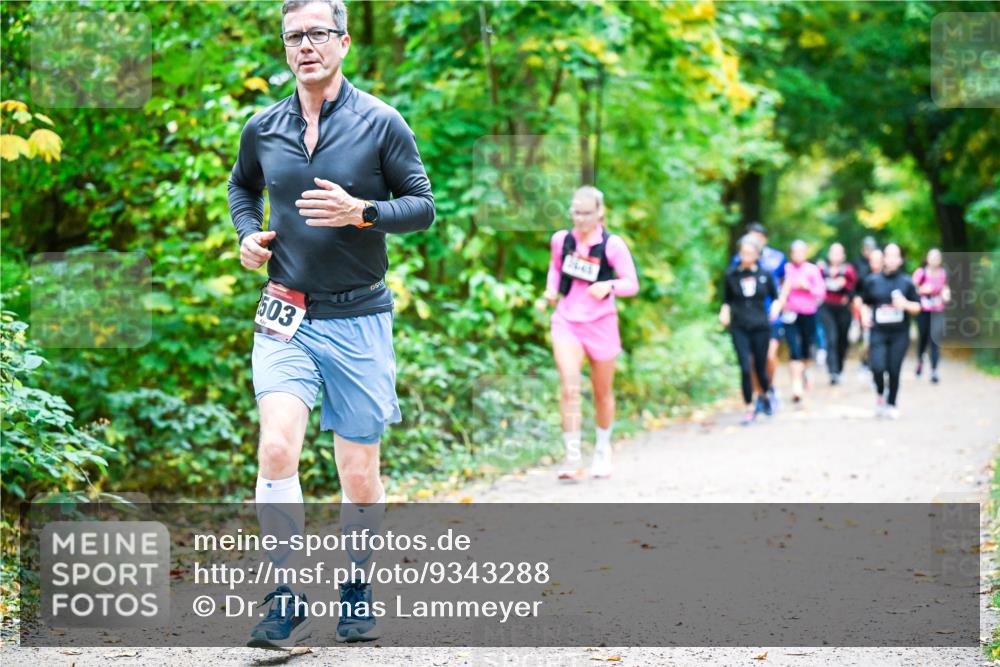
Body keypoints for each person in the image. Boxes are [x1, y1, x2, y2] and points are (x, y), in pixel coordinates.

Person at [228, 0, 435, 648]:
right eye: (294, 36)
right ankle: (284, 596)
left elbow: (423, 206)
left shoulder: (381, 122)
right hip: (286, 313)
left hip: (359, 317)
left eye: (318, 33)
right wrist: (246, 234)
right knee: (276, 447)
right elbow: (241, 188)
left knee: (358, 472)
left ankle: (357, 582)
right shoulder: (263, 127)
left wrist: (364, 212)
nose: (306, 45)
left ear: (343, 42)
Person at [543, 186, 638, 481]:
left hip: (601, 323)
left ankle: (602, 449)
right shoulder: (562, 240)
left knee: (602, 391)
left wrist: (609, 286)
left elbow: (631, 283)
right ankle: (572, 457)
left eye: (587, 213)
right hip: (567, 321)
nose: (581, 219)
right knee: (569, 385)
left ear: (600, 213)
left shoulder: (613, 245)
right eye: (576, 212)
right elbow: (555, 269)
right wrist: (551, 289)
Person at [720, 236, 779, 425]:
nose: (746, 256)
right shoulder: (732, 275)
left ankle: (765, 395)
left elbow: (775, 297)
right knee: (745, 367)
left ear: (757, 255)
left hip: (760, 326)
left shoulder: (765, 274)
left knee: (761, 367)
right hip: (739, 326)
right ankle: (749, 407)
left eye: (750, 253)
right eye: (743, 253)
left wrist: (775, 308)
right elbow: (726, 300)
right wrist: (724, 312)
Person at [857, 243, 921, 419]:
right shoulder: (872, 281)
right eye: (888, 255)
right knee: (877, 367)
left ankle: (892, 403)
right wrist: (864, 316)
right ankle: (880, 393)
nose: (892, 259)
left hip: (899, 333)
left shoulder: (906, 282)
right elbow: (865, 303)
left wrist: (905, 304)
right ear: (883, 258)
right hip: (878, 331)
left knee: (894, 369)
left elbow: (917, 307)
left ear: (900, 260)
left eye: (895, 256)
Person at [730, 222, 786, 415]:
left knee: (767, 358)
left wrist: (779, 305)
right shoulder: (735, 265)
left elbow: (784, 284)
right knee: (749, 362)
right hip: (743, 320)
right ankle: (755, 399)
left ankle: (768, 390)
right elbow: (729, 292)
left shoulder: (775, 261)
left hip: (767, 319)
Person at [772, 240, 826, 403]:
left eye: (801, 252)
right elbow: (776, 289)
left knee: (806, 346)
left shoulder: (812, 269)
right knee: (793, 347)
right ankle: (796, 387)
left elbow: (821, 292)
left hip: (808, 313)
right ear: (791, 254)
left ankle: (805, 370)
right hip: (790, 313)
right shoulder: (785, 269)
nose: (798, 255)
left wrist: (807, 287)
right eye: (795, 252)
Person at [818, 242, 857, 384]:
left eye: (838, 253)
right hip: (826, 308)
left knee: (842, 340)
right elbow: (816, 286)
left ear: (843, 255)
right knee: (831, 338)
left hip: (843, 309)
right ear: (829, 255)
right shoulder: (822, 270)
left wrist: (845, 285)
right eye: (833, 253)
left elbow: (855, 290)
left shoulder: (848, 270)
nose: (836, 256)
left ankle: (839, 368)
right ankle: (833, 371)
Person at [913, 248, 950, 384]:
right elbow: (911, 289)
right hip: (923, 311)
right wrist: (922, 290)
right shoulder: (920, 273)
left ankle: (934, 371)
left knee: (935, 340)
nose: (934, 259)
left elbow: (945, 288)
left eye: (937, 257)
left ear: (940, 259)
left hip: (937, 310)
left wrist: (946, 294)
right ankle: (920, 360)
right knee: (923, 338)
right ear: (927, 258)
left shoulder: (943, 273)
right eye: (932, 256)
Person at [855, 246, 883, 378]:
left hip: (884, 317)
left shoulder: (890, 277)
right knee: (866, 342)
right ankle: (865, 363)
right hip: (867, 314)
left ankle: (878, 368)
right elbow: (857, 294)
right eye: (873, 260)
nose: (875, 263)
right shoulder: (865, 277)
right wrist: (861, 308)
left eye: (878, 260)